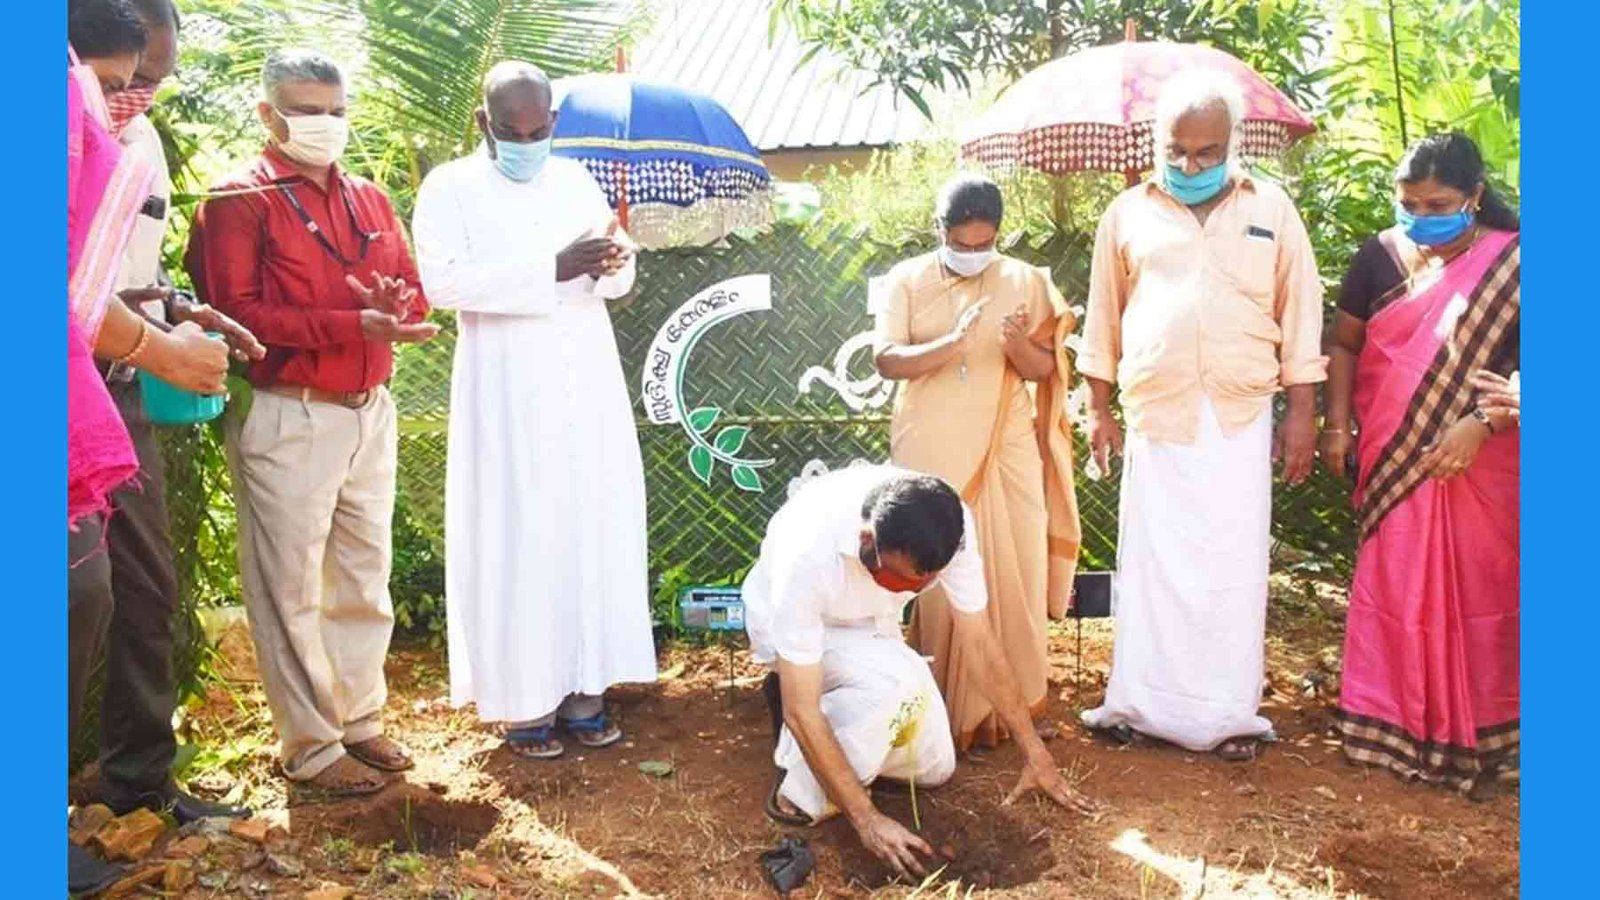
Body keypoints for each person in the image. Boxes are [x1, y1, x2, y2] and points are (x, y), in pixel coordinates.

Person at [185, 48, 439, 799]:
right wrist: (353, 322)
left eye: (334, 111)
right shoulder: (237, 201)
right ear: (267, 114)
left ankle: (359, 721)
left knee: (363, 577)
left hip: (369, 411)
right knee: (289, 587)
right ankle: (310, 746)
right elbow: (239, 315)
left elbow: (413, 294)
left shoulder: (369, 198)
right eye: (304, 110)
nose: (323, 125)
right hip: (289, 414)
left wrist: (396, 311)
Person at [1076, 72, 1327, 761]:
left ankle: (1224, 715)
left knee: (1230, 564)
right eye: (1176, 150)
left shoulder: (1271, 208)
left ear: (1232, 145)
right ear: (1159, 144)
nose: (1188, 165)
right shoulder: (1126, 213)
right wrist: (1097, 408)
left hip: (1238, 414)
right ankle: (1138, 704)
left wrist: (1302, 414)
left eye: (1205, 152)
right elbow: (1104, 315)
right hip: (1157, 414)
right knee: (1152, 563)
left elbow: (1301, 313)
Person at [412, 61, 654, 759]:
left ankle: (587, 692)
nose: (527, 139)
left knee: (590, 524)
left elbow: (616, 272)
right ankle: (523, 705)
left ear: (553, 122)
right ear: (485, 124)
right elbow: (442, 283)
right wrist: (549, 268)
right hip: (506, 391)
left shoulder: (576, 179)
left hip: (588, 384)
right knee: (521, 531)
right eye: (512, 130)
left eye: (539, 128)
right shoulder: (450, 186)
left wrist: (616, 260)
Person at [67, 3, 236, 893]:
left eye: (154, 80)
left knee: (142, 584)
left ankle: (138, 779)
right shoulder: (54, 120)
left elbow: (129, 268)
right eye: (124, 80)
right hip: (68, 374)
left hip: (119, 390)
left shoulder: (144, 143)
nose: (137, 96)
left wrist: (176, 312)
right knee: (67, 588)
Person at [743, 464, 1099, 881]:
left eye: (927, 581)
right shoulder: (806, 553)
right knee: (892, 686)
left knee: (934, 768)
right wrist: (868, 820)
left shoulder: (951, 523)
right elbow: (801, 709)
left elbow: (979, 643)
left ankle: (841, 728)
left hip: (871, 626)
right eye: (904, 579)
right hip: (795, 629)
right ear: (867, 542)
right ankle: (801, 793)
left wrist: (1035, 752)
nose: (918, 588)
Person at [1319, 133, 1519, 797]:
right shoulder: (1379, 256)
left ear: (1475, 198)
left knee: (1489, 595)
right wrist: (1338, 423)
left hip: (1491, 466)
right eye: (1409, 203)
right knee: (1398, 586)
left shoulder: (1518, 264)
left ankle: (1496, 738)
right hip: (1395, 458)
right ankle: (1392, 726)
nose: (1422, 215)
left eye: (1439, 203)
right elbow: (1344, 344)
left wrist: (1482, 424)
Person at [873, 174, 1080, 751]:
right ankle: (938, 710)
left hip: (1005, 445)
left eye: (982, 244)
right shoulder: (906, 279)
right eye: (960, 244)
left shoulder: (1026, 280)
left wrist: (1017, 343)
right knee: (934, 566)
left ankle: (1010, 705)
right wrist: (950, 346)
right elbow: (885, 359)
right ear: (939, 230)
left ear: (998, 234)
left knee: (1014, 566)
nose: (971, 255)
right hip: (929, 443)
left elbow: (1043, 371)